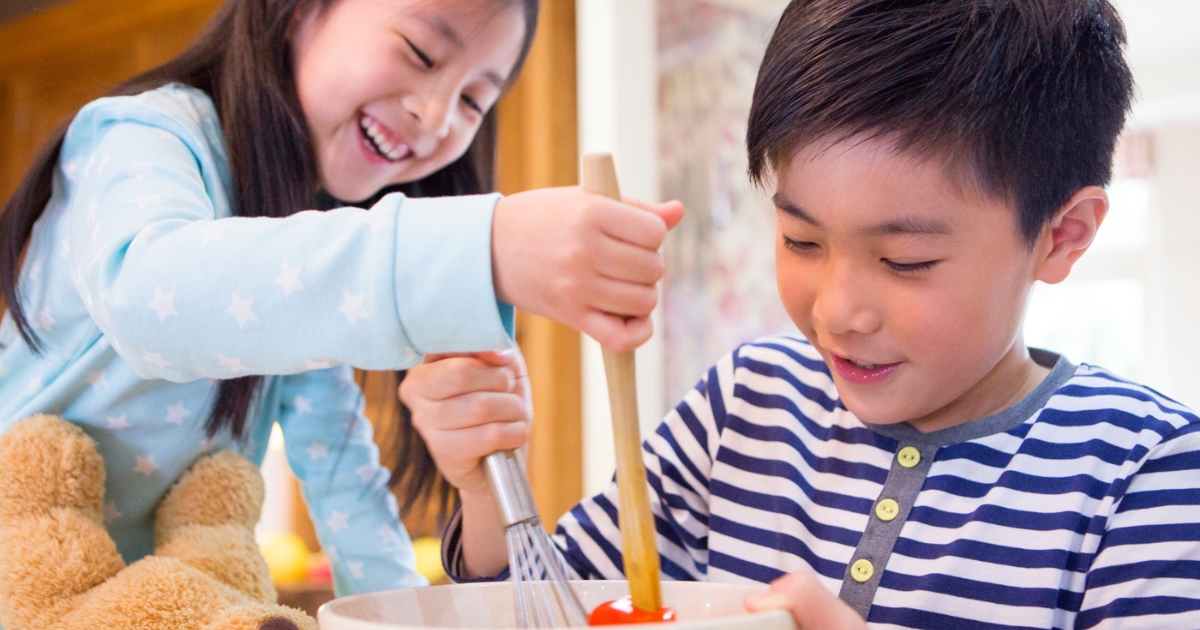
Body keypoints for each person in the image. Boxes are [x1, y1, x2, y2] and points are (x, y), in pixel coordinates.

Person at [404, 0, 1200, 627]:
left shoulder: (1146, 471)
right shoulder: (745, 405)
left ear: (1062, 236)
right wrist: (488, 493)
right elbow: (546, 613)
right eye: (801, 239)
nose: (838, 310)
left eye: (905, 261)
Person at [0, 0, 683, 603]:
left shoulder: (297, 253)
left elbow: (345, 487)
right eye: (421, 52)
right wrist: (487, 245)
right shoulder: (141, 133)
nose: (436, 115)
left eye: (475, 100)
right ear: (297, 8)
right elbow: (150, 298)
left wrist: (407, 613)